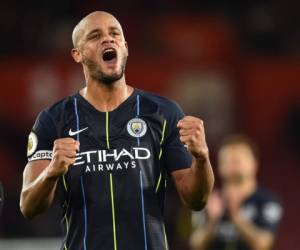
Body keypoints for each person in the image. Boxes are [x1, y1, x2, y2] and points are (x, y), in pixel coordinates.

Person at [20, 11, 214, 250]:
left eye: (115, 34)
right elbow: (28, 206)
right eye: (95, 36)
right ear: (77, 54)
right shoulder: (53, 120)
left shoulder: (163, 113)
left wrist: (202, 158)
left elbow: (196, 200)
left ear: (125, 46)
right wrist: (51, 172)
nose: (108, 40)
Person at [190, 135, 283, 250]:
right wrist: (212, 221)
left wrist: (236, 217)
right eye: (228, 159)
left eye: (240, 158)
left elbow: (263, 244)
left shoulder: (267, 201)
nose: (234, 163)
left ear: (254, 164)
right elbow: (196, 244)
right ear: (219, 166)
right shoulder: (208, 200)